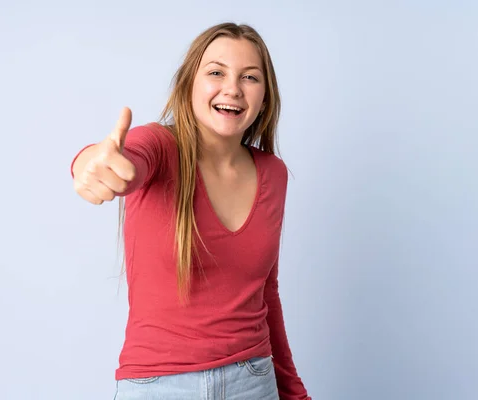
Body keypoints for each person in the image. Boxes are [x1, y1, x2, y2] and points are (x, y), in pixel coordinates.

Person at [71, 22, 311, 400]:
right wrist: (90, 164)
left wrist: (294, 393)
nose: (232, 88)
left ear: (265, 96)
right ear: (189, 85)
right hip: (158, 387)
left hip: (254, 382)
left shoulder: (273, 174)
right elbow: (122, 159)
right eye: (216, 72)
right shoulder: (159, 146)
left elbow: (266, 293)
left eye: (249, 77)